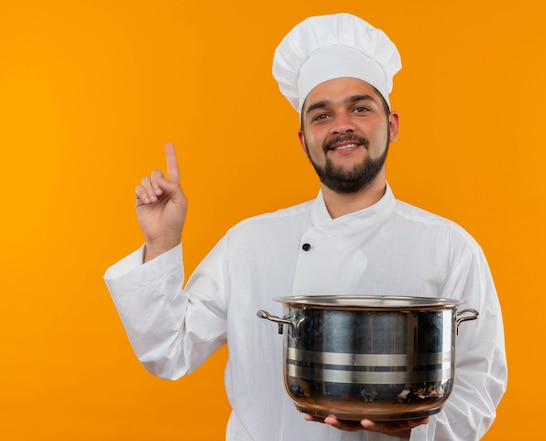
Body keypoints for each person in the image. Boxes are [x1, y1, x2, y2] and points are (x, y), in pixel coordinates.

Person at [104, 13, 507, 441]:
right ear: (304, 140)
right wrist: (162, 242)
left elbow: (479, 385)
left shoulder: (449, 248)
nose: (341, 126)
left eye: (360, 108)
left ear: (391, 126)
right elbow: (169, 351)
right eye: (321, 115)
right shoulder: (249, 242)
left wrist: (412, 432)